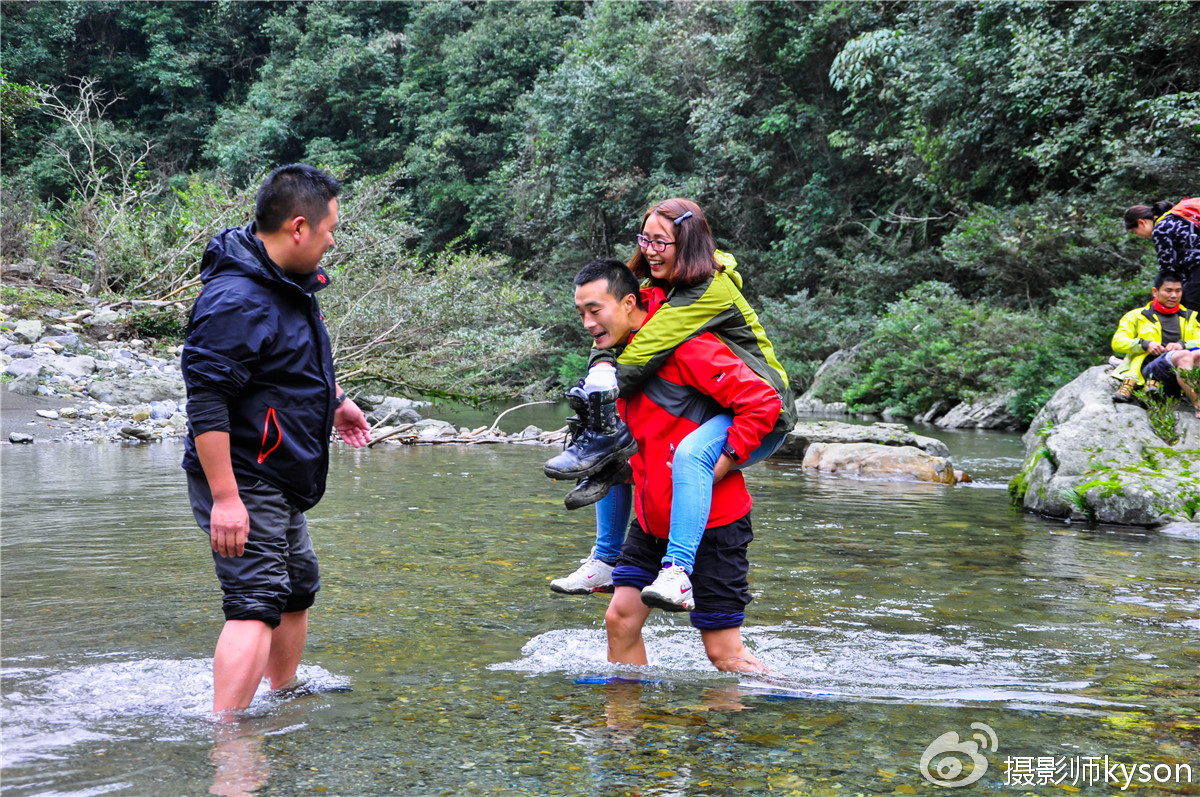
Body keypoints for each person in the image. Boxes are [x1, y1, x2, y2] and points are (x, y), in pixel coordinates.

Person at [181, 164, 371, 717]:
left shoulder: (283, 283)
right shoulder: (237, 299)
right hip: (245, 473)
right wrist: (225, 497)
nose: (334, 240)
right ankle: (228, 734)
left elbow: (287, 362)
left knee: (297, 587)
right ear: (297, 227)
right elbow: (207, 401)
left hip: (279, 470)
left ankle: (282, 693)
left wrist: (336, 401)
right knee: (255, 601)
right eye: (331, 228)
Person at [548, 199, 794, 611]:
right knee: (618, 448)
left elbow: (645, 347)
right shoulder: (654, 291)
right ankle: (606, 559)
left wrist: (729, 458)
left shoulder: (706, 291)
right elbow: (611, 342)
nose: (649, 249)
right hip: (724, 402)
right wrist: (599, 378)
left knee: (692, 456)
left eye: (661, 241)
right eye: (644, 238)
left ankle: (678, 571)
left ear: (688, 243)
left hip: (767, 409)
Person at [565, 259, 779, 673]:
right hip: (650, 523)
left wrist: (724, 461)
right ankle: (627, 728)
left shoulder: (688, 348)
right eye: (581, 314)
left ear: (629, 302)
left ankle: (790, 703)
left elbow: (763, 401)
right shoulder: (614, 366)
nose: (588, 323)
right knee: (620, 621)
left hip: (714, 527)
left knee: (724, 654)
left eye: (595, 310)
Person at [1111, 270, 1200, 417]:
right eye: (1168, 290)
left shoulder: (1188, 317)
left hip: (1183, 369)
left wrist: (1182, 344)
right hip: (1151, 369)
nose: (1174, 296)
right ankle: (1198, 405)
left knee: (1193, 353)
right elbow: (1117, 342)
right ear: (1155, 291)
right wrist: (1145, 344)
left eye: (1178, 291)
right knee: (1184, 356)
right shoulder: (1137, 316)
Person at [1125, 199, 1200, 309]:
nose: (1139, 236)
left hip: (1197, 269)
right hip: (1195, 270)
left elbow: (1168, 268)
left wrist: (1160, 292)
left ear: (1142, 222)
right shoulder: (1174, 218)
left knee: (1192, 308)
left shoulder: (1160, 229)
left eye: (1135, 232)